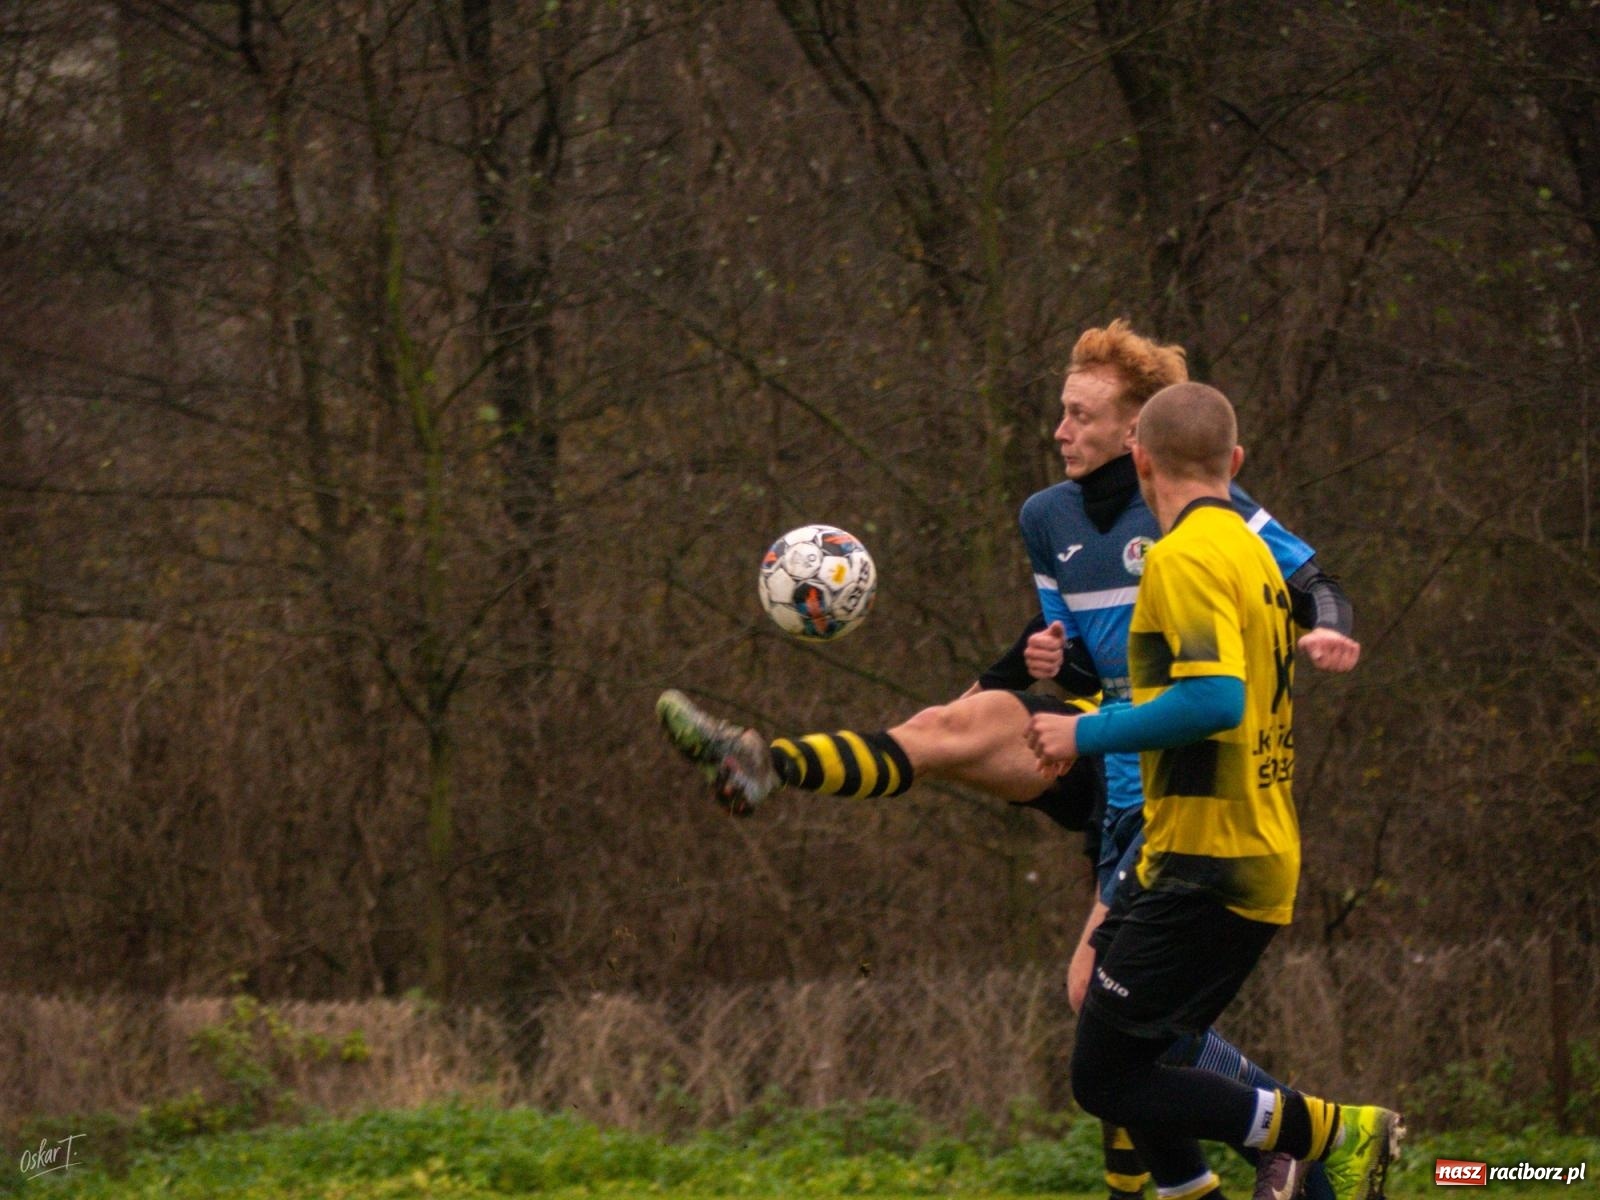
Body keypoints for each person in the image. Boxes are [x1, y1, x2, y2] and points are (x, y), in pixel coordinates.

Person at [661, 319, 1351, 1200]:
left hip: (1166, 772)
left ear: (1139, 434)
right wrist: (1042, 665)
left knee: (1107, 1014)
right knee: (955, 723)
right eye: (1059, 412)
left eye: (1080, 415)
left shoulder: (1202, 510)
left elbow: (1307, 583)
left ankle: (1289, 1145)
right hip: (1106, 748)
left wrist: (1330, 626)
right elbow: (1079, 653)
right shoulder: (1047, 517)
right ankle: (765, 761)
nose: (1059, 431)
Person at [1024, 381, 1401, 1200]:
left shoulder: (1184, 557)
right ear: (1234, 463)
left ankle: (1333, 1132)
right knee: (1143, 1048)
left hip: (1209, 861)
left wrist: (1077, 732)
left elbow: (1212, 701)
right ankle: (1283, 1168)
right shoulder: (1251, 554)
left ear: (1139, 458)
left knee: (1106, 1077)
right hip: (1230, 851)